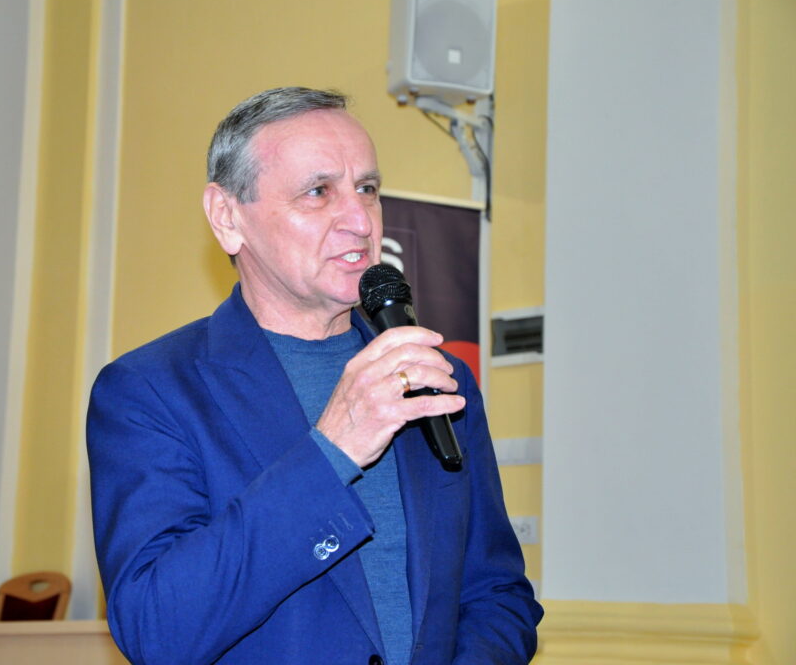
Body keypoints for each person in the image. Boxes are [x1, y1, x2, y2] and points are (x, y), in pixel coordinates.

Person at [87, 87, 542, 665]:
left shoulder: (437, 377)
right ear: (228, 217)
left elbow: (497, 594)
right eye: (318, 191)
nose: (359, 220)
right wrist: (332, 451)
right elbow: (156, 628)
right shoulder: (150, 392)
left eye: (367, 189)